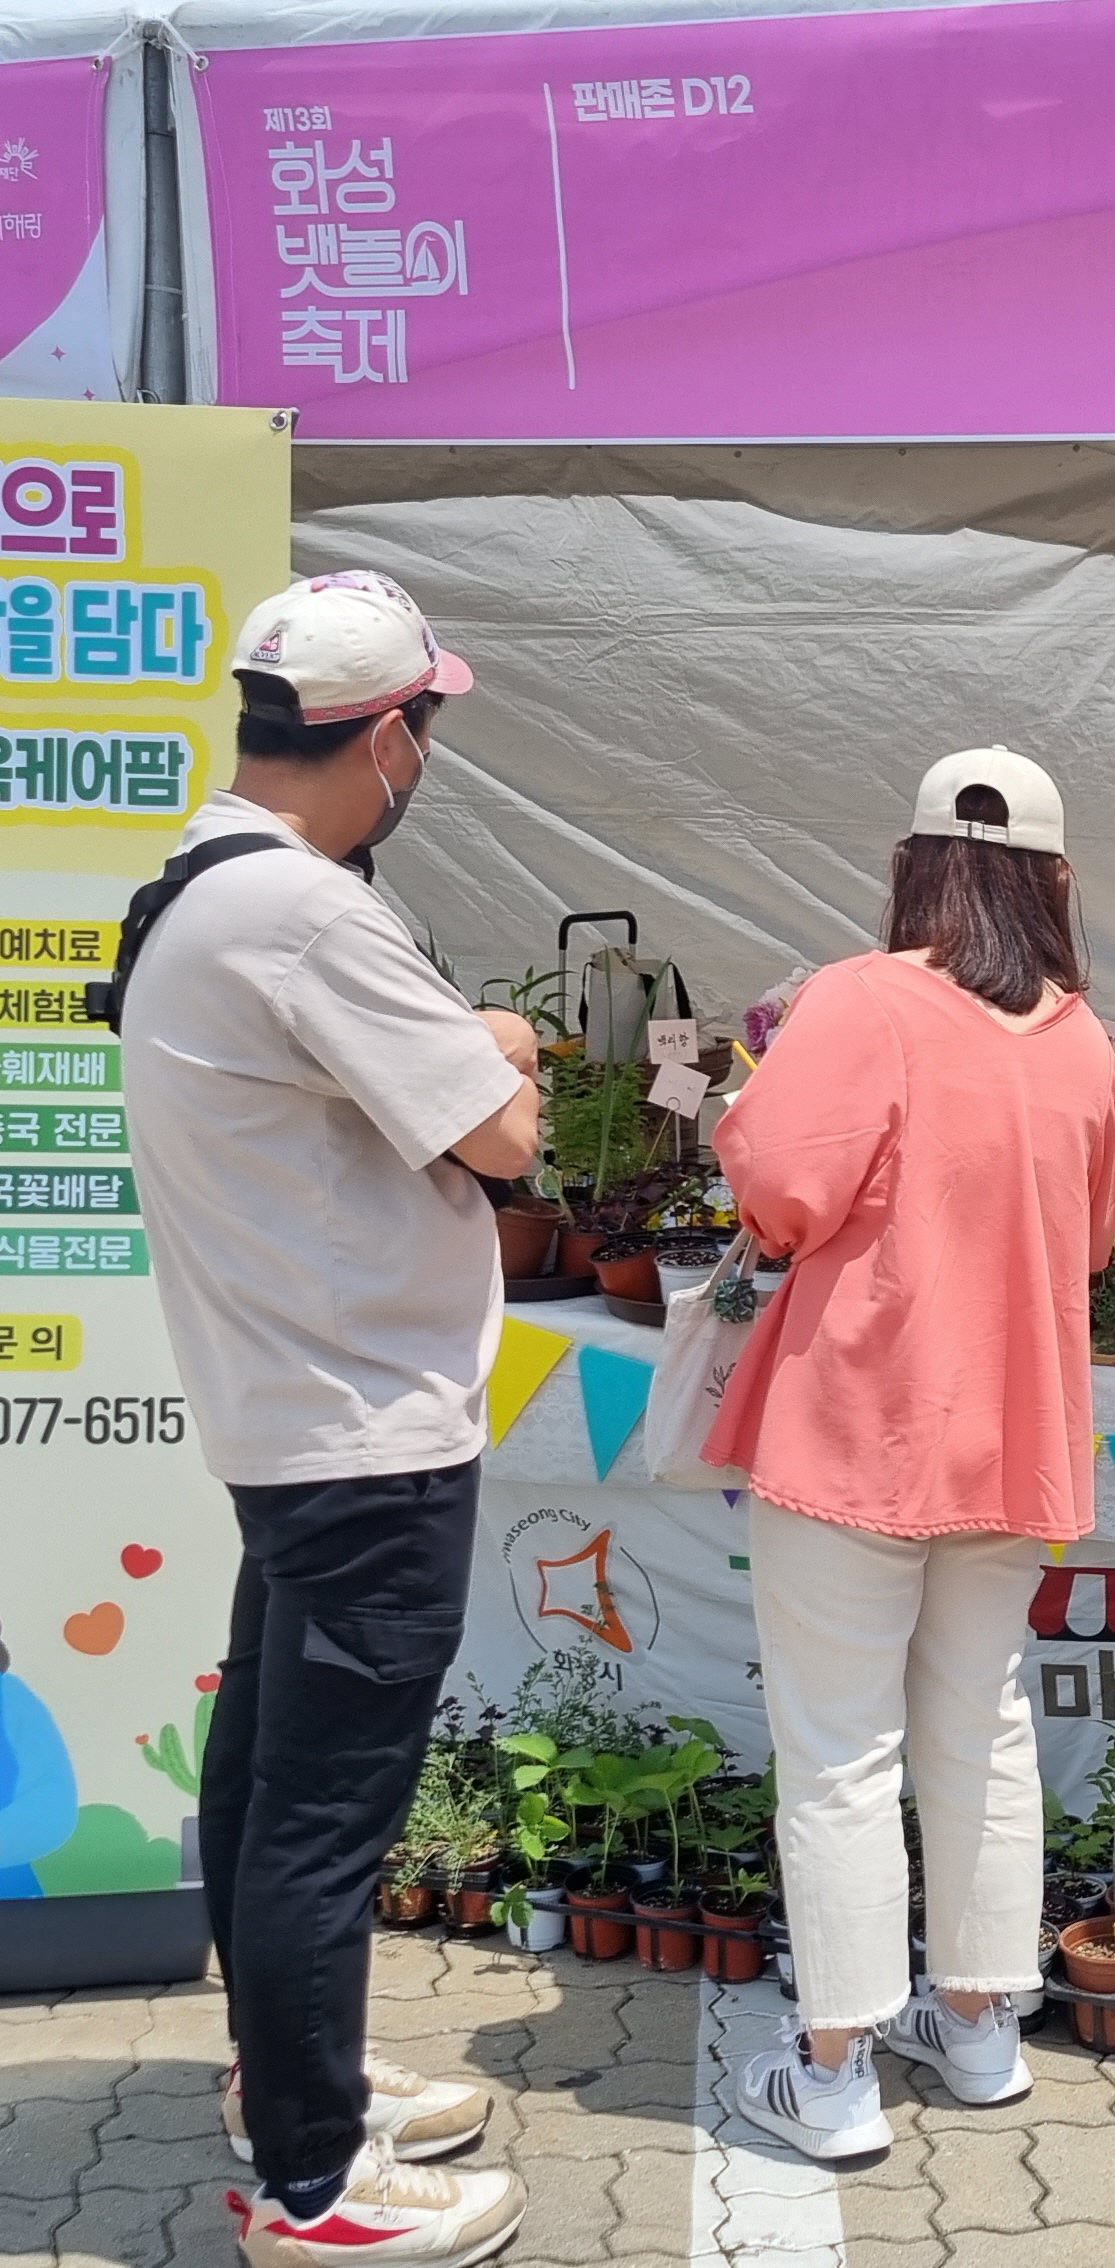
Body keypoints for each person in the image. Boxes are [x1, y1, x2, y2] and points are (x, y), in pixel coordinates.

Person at [118, 572, 534, 2268]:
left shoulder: (195, 883)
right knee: (321, 1808)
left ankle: (284, 2074)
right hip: (363, 1422)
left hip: (294, 1408)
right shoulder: (305, 913)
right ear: (380, 739)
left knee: (264, 1770)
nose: (422, 761)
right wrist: (494, 1034)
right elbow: (501, 1130)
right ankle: (316, 2183)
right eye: (422, 729)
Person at [704, 748, 1115, 2160]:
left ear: (913, 867)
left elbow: (774, 1186)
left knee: (837, 1755)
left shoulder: (861, 999)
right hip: (1011, 1433)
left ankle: (830, 2072)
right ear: (1054, 883)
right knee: (982, 1727)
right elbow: (1098, 1230)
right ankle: (979, 2030)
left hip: (856, 1422)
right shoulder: (1079, 1037)